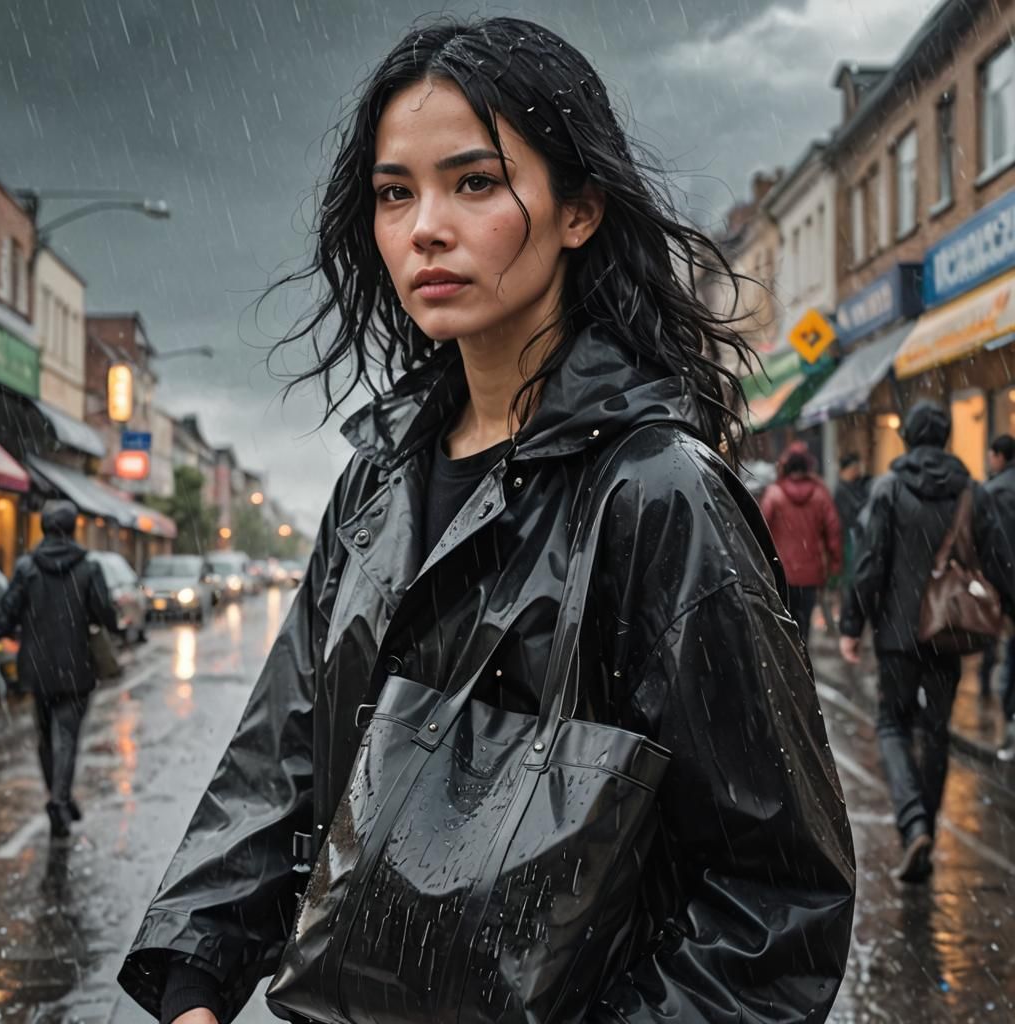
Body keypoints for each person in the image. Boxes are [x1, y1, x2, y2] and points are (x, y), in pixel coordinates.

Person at [118, 18, 855, 1024]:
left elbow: (772, 901)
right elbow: (279, 765)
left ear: (579, 209)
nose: (424, 226)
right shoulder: (375, 485)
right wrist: (196, 983)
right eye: (394, 193)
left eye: (473, 182)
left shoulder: (659, 495)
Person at [840, 403, 1013, 882]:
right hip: (949, 631)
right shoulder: (970, 490)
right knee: (935, 732)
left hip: (897, 634)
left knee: (892, 724)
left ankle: (912, 820)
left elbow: (870, 561)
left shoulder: (889, 488)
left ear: (909, 438)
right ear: (947, 437)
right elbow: (1000, 559)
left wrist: (852, 624)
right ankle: (927, 834)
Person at [0, 499, 117, 839]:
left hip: (37, 669)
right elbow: (104, 614)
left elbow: (7, 613)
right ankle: (59, 800)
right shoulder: (89, 568)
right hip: (77, 668)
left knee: (46, 739)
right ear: (74, 528)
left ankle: (56, 797)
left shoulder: (27, 567)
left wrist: (7, 630)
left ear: (44, 528)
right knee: (68, 737)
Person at [760, 441, 843, 647]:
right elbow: (834, 531)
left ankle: (787, 664)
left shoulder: (774, 494)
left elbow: (760, 530)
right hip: (811, 574)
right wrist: (834, 564)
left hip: (781, 573)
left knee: (784, 623)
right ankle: (803, 664)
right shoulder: (820, 493)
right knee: (803, 626)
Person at [984, 434, 1015, 751]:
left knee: (1006, 656)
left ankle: (1009, 715)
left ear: (999, 456)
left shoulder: (994, 492)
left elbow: (996, 549)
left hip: (1006, 587)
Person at [834, 452, 871, 585]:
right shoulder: (842, 490)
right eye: (854, 468)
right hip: (849, 536)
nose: (857, 471)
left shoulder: (858, 485)